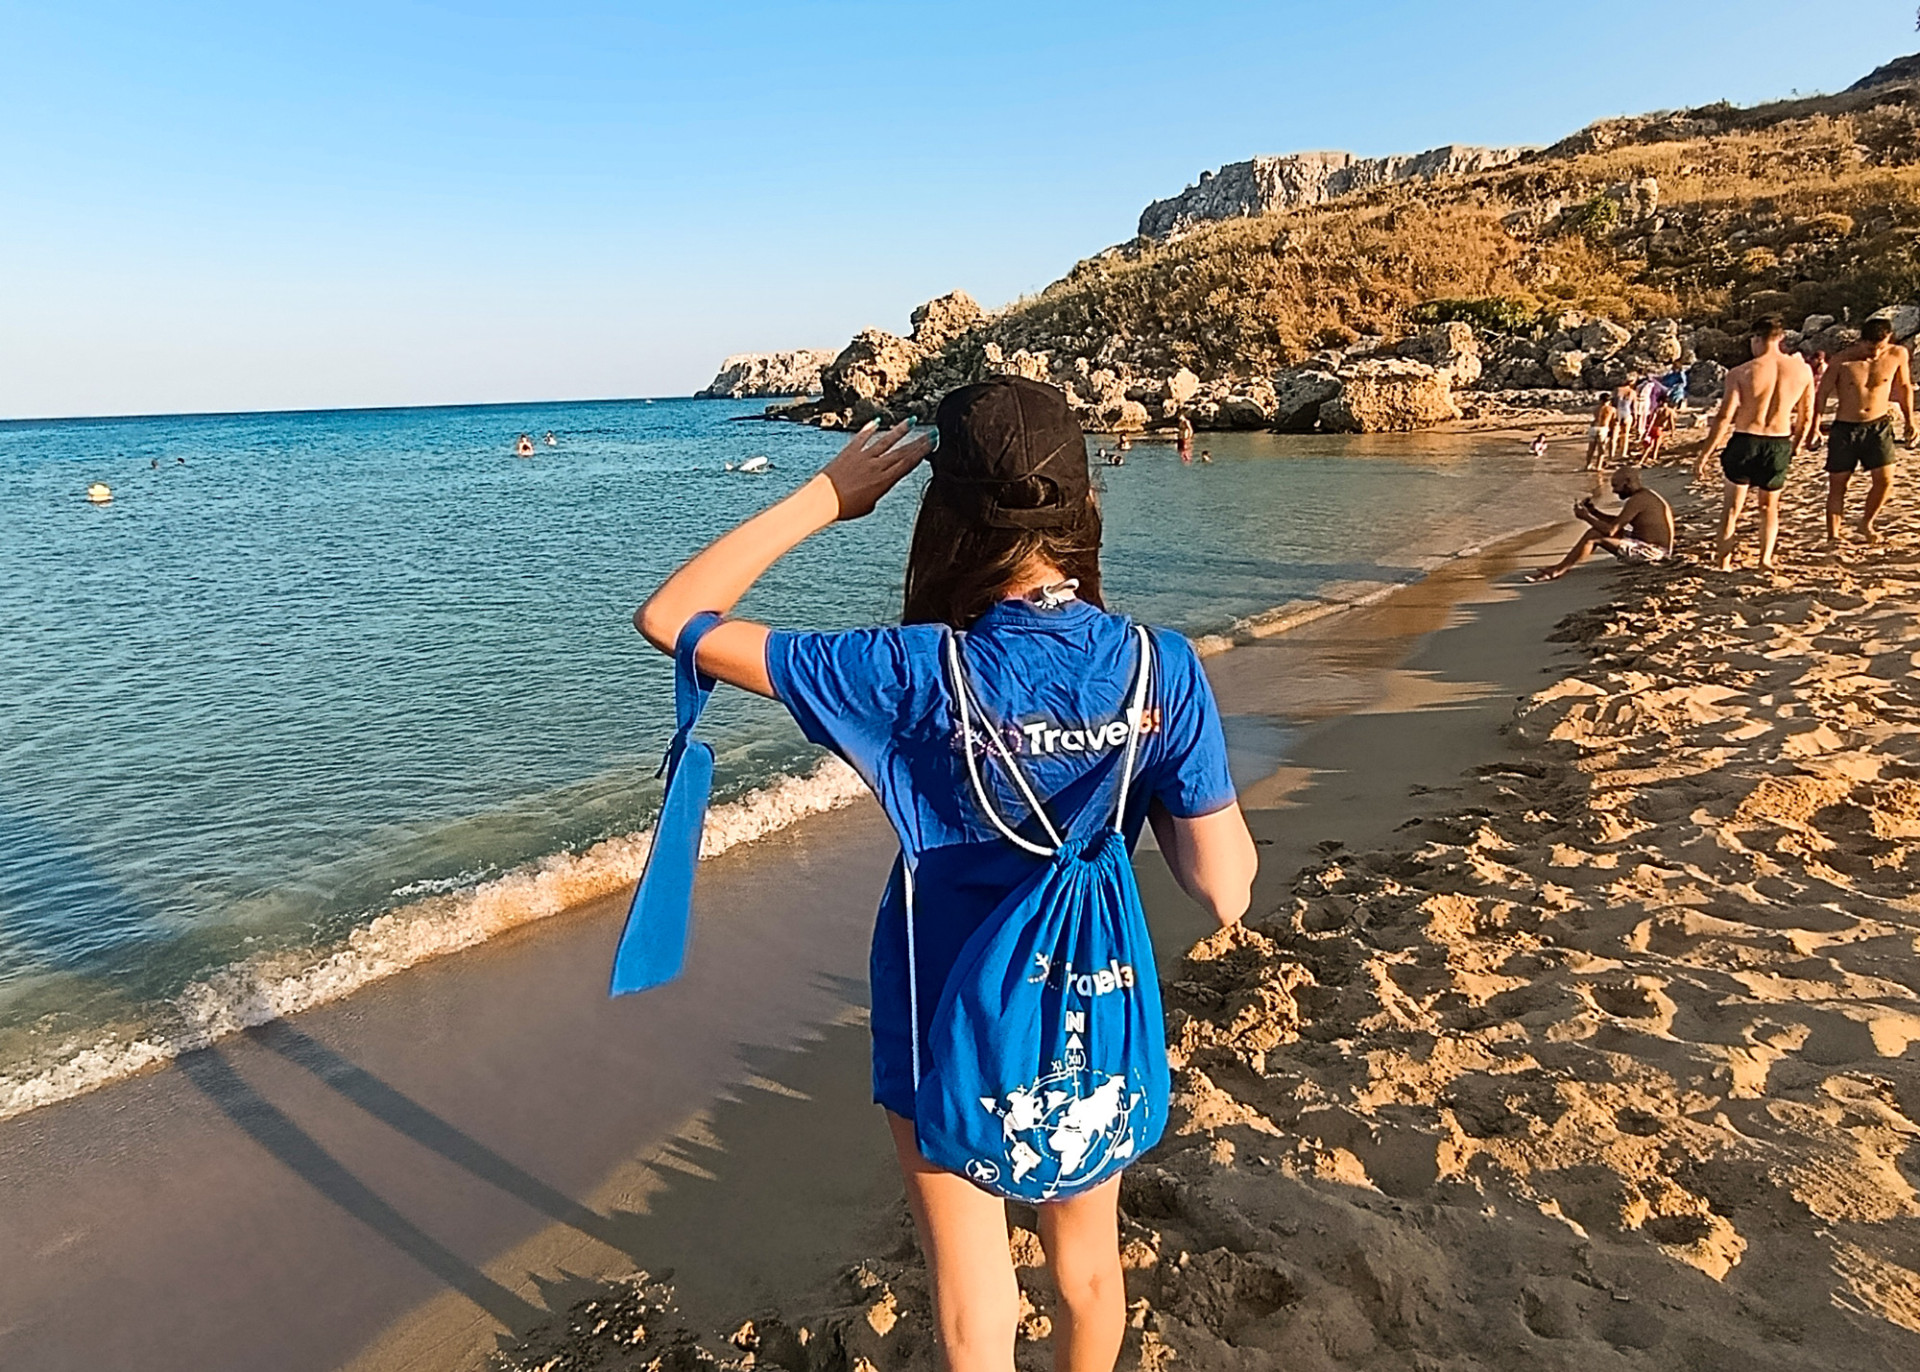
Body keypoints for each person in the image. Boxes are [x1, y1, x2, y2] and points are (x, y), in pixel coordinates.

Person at [632, 378, 1257, 1372]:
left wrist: (826, 497)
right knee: (1090, 1275)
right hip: (1087, 1006)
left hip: (940, 1019)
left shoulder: (909, 673)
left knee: (975, 1304)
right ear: (1085, 504)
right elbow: (1224, 888)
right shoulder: (1158, 666)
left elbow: (674, 616)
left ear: (946, 515)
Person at [1695, 315, 1816, 572]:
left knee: (1732, 509)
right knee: (1769, 507)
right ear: (1781, 338)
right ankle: (1764, 559)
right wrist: (1795, 446)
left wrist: (1704, 454)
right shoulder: (1802, 370)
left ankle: (1724, 562)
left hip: (1746, 439)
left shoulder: (1741, 372)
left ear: (1757, 339)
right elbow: (1806, 416)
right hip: (1778, 440)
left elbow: (1724, 417)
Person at [1814, 317, 1915, 544]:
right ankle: (1834, 536)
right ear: (1861, 341)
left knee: (1885, 479)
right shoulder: (1842, 361)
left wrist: (1910, 421)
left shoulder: (1898, 355)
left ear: (1889, 340)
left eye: (1880, 348)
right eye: (1870, 348)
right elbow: (1821, 395)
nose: (1875, 354)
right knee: (1839, 483)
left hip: (1878, 425)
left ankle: (1866, 523)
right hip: (1846, 428)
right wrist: (1814, 427)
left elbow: (1904, 387)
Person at [1526, 468, 1675, 581]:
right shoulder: (1645, 495)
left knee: (1594, 535)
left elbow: (1611, 531)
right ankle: (1560, 567)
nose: (1614, 490)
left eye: (1616, 485)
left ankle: (1558, 570)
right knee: (1596, 531)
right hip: (1649, 545)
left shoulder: (1638, 500)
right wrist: (1594, 512)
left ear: (1628, 482)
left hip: (1654, 554)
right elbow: (1618, 523)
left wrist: (1586, 517)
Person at [1585, 393, 1614, 471]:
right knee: (1601, 449)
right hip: (1603, 428)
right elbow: (1613, 421)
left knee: (1591, 448)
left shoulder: (1595, 408)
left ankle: (1588, 465)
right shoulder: (1611, 409)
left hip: (1593, 428)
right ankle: (1598, 466)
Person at [1611, 382, 1636, 463]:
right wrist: (1635, 418)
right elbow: (1634, 407)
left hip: (1617, 413)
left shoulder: (1617, 390)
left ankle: (1611, 454)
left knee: (1614, 436)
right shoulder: (1632, 392)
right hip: (1627, 413)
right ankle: (1623, 453)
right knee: (1625, 435)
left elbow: (1613, 403)